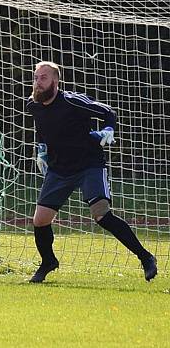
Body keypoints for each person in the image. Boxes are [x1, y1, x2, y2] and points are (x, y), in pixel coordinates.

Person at [27, 61, 157, 283]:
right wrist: (42, 150)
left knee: (101, 215)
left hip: (89, 165)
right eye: (36, 78)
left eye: (43, 78)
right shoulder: (33, 105)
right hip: (59, 169)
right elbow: (43, 129)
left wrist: (108, 129)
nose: (38, 83)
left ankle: (145, 258)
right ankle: (48, 262)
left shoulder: (72, 101)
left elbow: (108, 112)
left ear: (55, 82)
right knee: (40, 220)